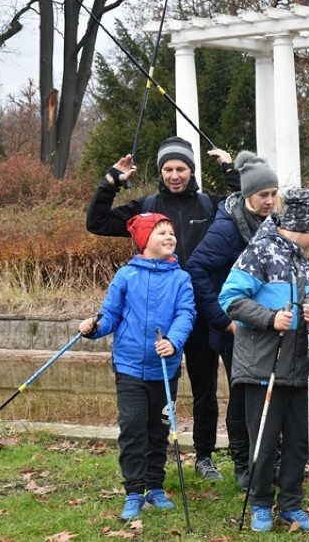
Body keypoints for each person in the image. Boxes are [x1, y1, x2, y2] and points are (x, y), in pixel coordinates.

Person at [86, 137, 239, 481]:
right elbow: (96, 222)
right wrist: (111, 181)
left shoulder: (210, 205)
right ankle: (151, 464)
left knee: (206, 390)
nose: (174, 175)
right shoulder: (146, 208)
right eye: (168, 169)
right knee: (155, 394)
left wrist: (231, 169)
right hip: (156, 318)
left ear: (191, 171)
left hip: (205, 312)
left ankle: (204, 455)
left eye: (181, 168)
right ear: (160, 171)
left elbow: (246, 206)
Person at [217, 187, 309, 532]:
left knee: (297, 441)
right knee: (263, 441)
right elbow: (229, 298)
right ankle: (261, 502)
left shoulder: (302, 260)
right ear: (302, 228)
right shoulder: (259, 252)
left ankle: (291, 504)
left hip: (298, 364)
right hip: (263, 366)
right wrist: (268, 317)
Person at [78, 213, 196, 520]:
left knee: (159, 431)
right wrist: (94, 327)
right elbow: (111, 316)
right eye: (162, 233)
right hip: (129, 367)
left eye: (171, 232)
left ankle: (155, 487)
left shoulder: (181, 278)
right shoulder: (126, 276)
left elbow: (186, 314)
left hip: (165, 370)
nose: (170, 237)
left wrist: (173, 340)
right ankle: (134, 490)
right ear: (144, 241)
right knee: (132, 430)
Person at [186, 150, 280, 488]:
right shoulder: (228, 227)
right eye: (263, 195)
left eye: (273, 194)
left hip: (268, 323)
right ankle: (242, 464)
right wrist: (223, 319)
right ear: (247, 195)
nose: (270, 201)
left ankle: (270, 459)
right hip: (235, 328)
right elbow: (195, 268)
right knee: (242, 396)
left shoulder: (271, 223)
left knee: (269, 391)